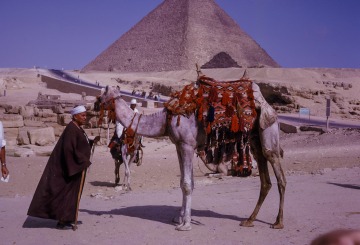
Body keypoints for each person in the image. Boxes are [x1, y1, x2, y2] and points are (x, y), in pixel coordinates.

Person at [27, 105, 100, 230]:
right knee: (67, 194)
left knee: (72, 194)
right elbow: (68, 149)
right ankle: (62, 221)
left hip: (76, 167)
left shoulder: (77, 128)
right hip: (71, 168)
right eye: (82, 115)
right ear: (75, 116)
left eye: (85, 115)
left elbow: (80, 144)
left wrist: (91, 142)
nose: (85, 118)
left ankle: (67, 218)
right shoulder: (72, 129)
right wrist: (82, 161)